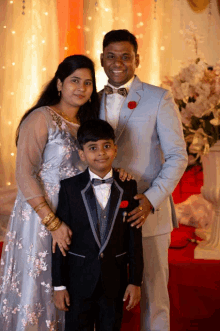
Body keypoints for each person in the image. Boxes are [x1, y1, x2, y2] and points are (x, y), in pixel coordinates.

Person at [0, 55, 100, 331]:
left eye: (88, 83)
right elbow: (24, 173)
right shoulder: (42, 117)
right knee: (40, 282)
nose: (81, 88)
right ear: (59, 84)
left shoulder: (88, 125)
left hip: (74, 216)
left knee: (68, 285)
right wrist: (51, 222)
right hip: (40, 216)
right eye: (74, 81)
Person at [99, 29, 188, 331]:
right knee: (102, 296)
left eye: (126, 56)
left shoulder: (158, 98)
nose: (118, 62)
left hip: (147, 213)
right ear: (102, 59)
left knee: (154, 296)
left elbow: (178, 156)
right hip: (101, 216)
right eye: (111, 56)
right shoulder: (89, 100)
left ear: (137, 60)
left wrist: (151, 199)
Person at [52, 119, 143, 331]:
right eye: (92, 148)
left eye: (106, 146)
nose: (101, 153)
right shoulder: (69, 188)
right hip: (77, 282)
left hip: (115, 282)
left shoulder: (128, 186)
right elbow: (59, 241)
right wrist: (59, 285)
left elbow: (134, 238)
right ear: (82, 154)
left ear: (115, 149)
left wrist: (135, 281)